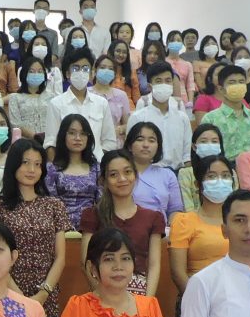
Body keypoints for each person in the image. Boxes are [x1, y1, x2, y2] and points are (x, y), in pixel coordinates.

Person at [0, 139, 71, 317]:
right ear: (13, 164)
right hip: (6, 290)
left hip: (46, 294)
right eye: (26, 163)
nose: (32, 170)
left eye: (38, 164)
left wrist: (43, 294)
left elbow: (60, 257)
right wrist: (20, 297)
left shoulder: (54, 205)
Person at [78, 148, 163, 297]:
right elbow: (86, 262)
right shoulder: (92, 215)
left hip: (141, 294)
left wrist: (147, 302)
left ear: (135, 175)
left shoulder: (153, 217)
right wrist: (104, 297)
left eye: (127, 172)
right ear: (103, 180)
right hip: (102, 294)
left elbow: (154, 265)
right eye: (113, 175)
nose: (122, 179)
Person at [170, 151, 233, 299]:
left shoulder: (241, 221)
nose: (220, 181)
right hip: (197, 296)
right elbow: (178, 273)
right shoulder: (183, 221)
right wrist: (199, 301)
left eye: (225, 176)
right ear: (198, 184)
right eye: (211, 176)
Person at [44, 53, 115, 150]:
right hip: (66, 158)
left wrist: (99, 158)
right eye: (75, 69)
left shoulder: (102, 103)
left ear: (91, 74)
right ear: (67, 74)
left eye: (85, 69)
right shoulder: (56, 104)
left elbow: (109, 141)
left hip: (97, 158)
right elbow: (50, 142)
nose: (81, 73)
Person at [45, 114, 100, 226]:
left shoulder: (96, 168)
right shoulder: (51, 169)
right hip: (60, 227)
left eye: (83, 133)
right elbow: (50, 206)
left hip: (92, 227)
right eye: (72, 133)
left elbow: (101, 202)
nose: (78, 138)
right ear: (63, 136)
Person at [125, 115, 182, 224]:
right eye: (140, 139)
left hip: (161, 230)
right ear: (129, 146)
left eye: (151, 141)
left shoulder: (168, 175)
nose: (146, 145)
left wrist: (170, 229)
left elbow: (175, 210)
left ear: (158, 147)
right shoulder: (122, 173)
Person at [198, 65, 250, 160]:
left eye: (241, 82)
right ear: (221, 89)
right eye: (232, 82)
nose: (237, 86)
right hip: (224, 166)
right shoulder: (210, 119)